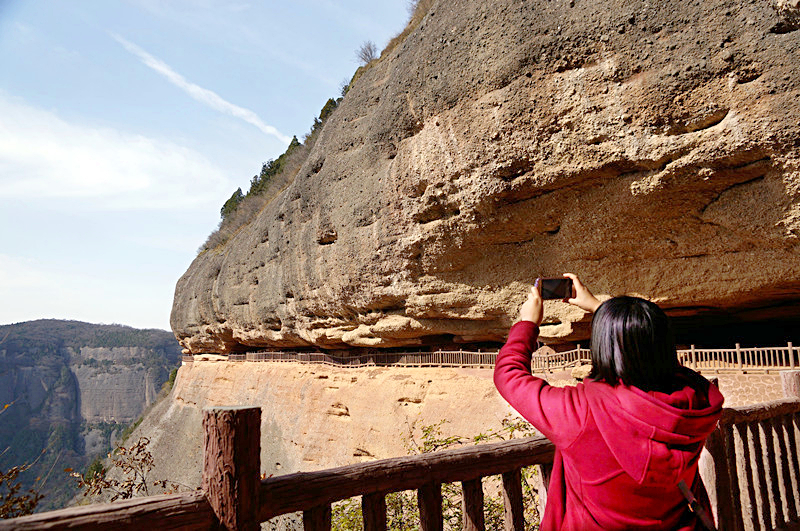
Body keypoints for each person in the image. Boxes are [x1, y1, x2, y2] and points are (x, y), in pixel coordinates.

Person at [494, 274, 724, 530]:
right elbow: (669, 366)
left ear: (602, 348)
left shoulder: (582, 412)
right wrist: (602, 309)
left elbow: (509, 376)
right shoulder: (693, 402)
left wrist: (527, 323)